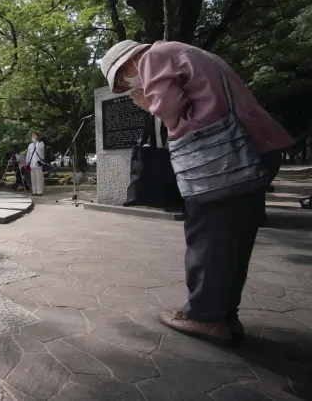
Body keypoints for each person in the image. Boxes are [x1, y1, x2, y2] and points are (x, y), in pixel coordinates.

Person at [100, 39, 293, 342]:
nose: (129, 84)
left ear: (127, 63)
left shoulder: (154, 57)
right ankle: (226, 314)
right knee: (235, 241)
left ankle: (204, 316)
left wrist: (146, 104)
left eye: (124, 79)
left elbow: (169, 109)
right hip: (253, 150)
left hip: (219, 159)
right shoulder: (189, 52)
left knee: (208, 236)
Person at [26, 131, 46, 196]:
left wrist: (36, 142)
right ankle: (34, 191)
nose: (34, 137)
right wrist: (27, 162)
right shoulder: (30, 145)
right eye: (33, 136)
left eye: (35, 136)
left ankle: (39, 191)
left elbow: (39, 150)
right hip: (32, 164)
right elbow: (28, 154)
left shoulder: (41, 144)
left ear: (38, 137)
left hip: (38, 164)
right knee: (33, 178)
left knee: (39, 178)